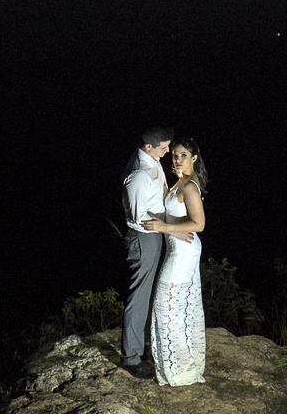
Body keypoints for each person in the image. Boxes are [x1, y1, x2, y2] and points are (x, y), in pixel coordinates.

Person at [141, 137, 207, 386]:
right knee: (177, 309)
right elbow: (175, 217)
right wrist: (163, 224)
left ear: (194, 158)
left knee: (165, 308)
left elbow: (199, 224)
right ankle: (182, 366)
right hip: (177, 249)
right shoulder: (180, 181)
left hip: (184, 252)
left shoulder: (189, 186)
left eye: (183, 155)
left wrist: (164, 227)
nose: (177, 159)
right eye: (175, 155)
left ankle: (182, 370)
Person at [120, 125, 185, 379]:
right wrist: (173, 228)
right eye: (163, 147)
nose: (168, 150)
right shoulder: (138, 174)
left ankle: (146, 346)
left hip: (156, 235)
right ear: (148, 146)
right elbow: (139, 217)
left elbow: (160, 195)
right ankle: (131, 358)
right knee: (140, 295)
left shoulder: (153, 161)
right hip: (143, 238)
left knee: (151, 292)